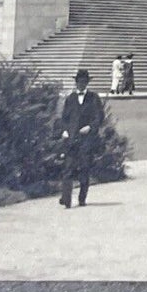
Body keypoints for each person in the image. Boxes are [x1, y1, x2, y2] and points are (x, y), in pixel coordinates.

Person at [58, 68, 105, 208]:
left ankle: (82, 198)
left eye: (84, 82)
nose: (81, 85)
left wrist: (90, 127)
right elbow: (64, 118)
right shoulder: (71, 98)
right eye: (79, 82)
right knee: (68, 169)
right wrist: (64, 130)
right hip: (71, 139)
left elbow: (99, 117)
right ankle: (66, 199)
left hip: (86, 140)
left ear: (87, 83)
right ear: (76, 83)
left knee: (84, 169)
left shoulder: (93, 98)